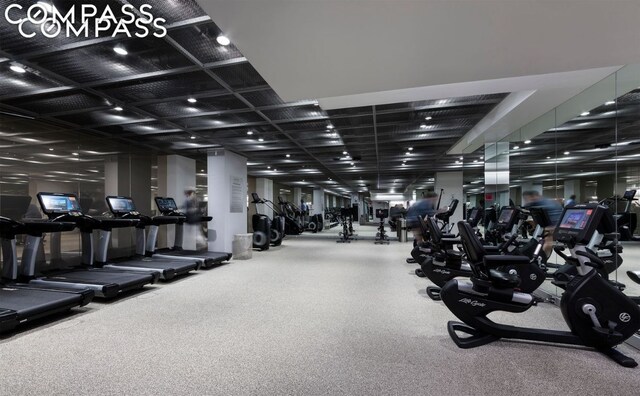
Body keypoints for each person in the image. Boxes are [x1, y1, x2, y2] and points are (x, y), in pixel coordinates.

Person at [523, 190, 562, 257]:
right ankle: (541, 259)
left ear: (535, 196)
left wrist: (551, 228)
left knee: (547, 243)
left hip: (554, 226)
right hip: (546, 226)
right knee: (540, 242)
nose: (527, 201)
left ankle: (542, 260)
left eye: (528, 198)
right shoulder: (534, 204)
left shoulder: (547, 204)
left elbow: (557, 218)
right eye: (526, 199)